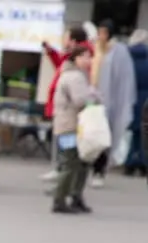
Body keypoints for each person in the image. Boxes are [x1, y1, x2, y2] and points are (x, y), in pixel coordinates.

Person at [40, 25, 90, 182]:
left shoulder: (78, 65)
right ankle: (62, 171)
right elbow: (59, 63)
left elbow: (79, 99)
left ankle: (63, 174)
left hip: (68, 114)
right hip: (64, 112)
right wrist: (50, 51)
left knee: (67, 144)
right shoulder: (70, 61)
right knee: (64, 142)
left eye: (67, 37)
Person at [91, 19, 137, 187]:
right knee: (90, 136)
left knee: (104, 138)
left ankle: (99, 170)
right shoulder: (95, 49)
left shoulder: (119, 51)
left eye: (104, 32)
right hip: (92, 100)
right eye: (99, 32)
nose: (101, 36)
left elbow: (124, 79)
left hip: (110, 102)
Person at [51, 45, 96, 214]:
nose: (88, 60)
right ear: (75, 58)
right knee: (71, 163)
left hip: (65, 125)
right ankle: (61, 198)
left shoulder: (68, 74)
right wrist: (93, 101)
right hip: (71, 126)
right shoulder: (76, 77)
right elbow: (79, 101)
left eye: (89, 57)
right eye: (84, 56)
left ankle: (73, 197)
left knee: (77, 162)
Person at [126, 29, 148, 177]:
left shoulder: (126, 57)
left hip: (129, 97)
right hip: (145, 97)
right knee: (143, 132)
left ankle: (130, 161)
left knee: (133, 132)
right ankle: (142, 161)